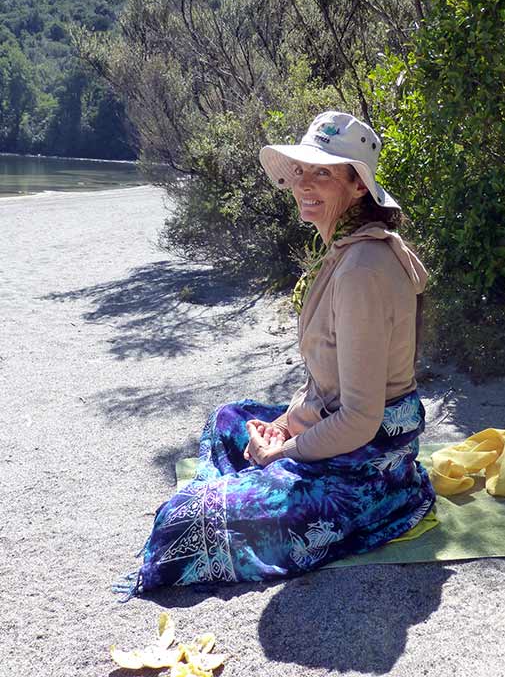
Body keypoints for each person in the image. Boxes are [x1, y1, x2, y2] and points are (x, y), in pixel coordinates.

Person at [114, 111, 436, 599]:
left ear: (357, 187)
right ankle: (257, 476)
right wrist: (287, 423)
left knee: (181, 528)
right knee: (229, 420)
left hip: (369, 460)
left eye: (323, 172)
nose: (304, 183)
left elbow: (360, 419)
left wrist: (281, 452)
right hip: (352, 423)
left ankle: (303, 487)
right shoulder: (351, 249)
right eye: (301, 169)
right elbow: (327, 383)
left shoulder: (361, 271)